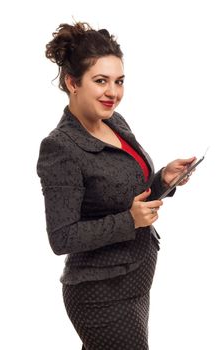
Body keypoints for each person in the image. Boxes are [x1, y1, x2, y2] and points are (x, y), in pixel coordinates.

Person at [36, 22, 195, 350]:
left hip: (134, 282)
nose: (113, 92)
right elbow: (62, 237)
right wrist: (129, 220)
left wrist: (163, 179)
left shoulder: (114, 122)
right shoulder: (61, 147)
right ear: (72, 82)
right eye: (100, 81)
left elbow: (126, 193)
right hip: (99, 295)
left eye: (119, 81)